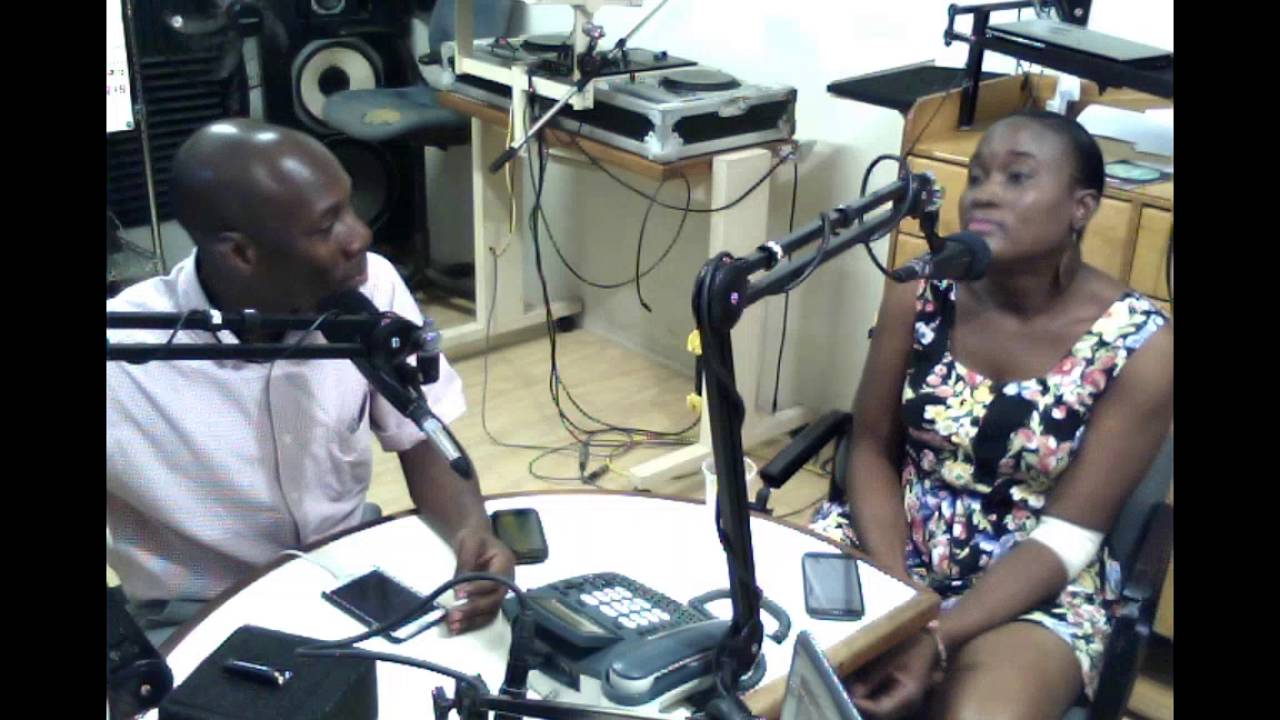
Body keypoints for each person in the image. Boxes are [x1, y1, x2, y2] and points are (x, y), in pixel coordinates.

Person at [106, 119, 515, 646]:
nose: (360, 235)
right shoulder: (122, 357)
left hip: (344, 566)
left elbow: (421, 436)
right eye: (326, 227)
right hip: (200, 607)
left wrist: (471, 531)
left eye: (350, 207)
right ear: (241, 254)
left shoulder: (370, 287)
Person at [822, 110, 1173, 719]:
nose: (983, 193)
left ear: (1081, 208)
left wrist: (936, 635)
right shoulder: (920, 289)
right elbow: (872, 444)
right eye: (978, 176)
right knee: (760, 661)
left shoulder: (1143, 345)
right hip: (889, 544)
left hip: (1036, 582)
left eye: (1017, 177)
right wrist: (899, 602)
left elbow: (1071, 532)